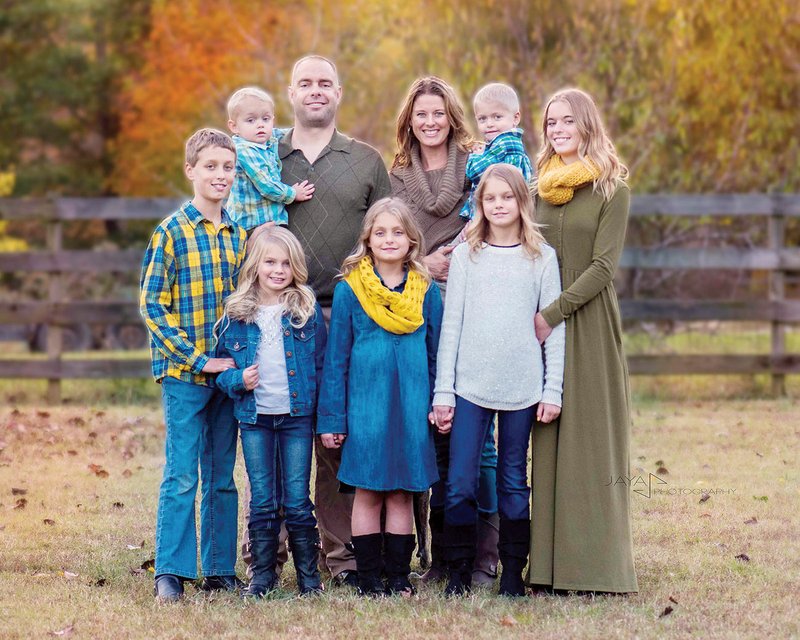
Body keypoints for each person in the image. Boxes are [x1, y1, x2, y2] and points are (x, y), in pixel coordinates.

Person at [278, 54, 392, 587]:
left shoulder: (367, 161)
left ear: (339, 92)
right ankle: (269, 555)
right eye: (306, 83)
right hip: (277, 314)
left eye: (325, 83)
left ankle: (343, 557)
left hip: (344, 312)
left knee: (334, 437)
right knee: (276, 432)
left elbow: (388, 236)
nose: (315, 91)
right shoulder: (262, 157)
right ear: (291, 92)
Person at [431, 164, 565, 596]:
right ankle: (457, 571)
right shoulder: (469, 256)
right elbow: (452, 325)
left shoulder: (541, 258)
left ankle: (511, 572)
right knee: (460, 483)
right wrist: (444, 391)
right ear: (480, 205)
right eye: (491, 199)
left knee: (512, 480)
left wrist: (552, 389)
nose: (499, 205)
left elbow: (552, 329)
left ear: (522, 202)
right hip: (470, 385)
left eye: (507, 197)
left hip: (523, 387)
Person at [390, 76, 499, 587]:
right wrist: (424, 264)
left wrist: (460, 255)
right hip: (420, 314)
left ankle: (484, 556)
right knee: (436, 430)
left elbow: (499, 218)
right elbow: (386, 240)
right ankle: (439, 558)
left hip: (476, 307)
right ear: (408, 122)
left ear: (451, 117)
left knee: (483, 440)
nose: (429, 122)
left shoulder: (477, 163)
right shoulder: (396, 175)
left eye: (437, 113)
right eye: (420, 115)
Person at [529, 88, 639, 594]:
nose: (557, 129)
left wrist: (552, 314)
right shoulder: (538, 188)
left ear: (587, 123)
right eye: (551, 122)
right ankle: (551, 569)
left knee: (591, 442)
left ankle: (598, 567)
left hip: (587, 324)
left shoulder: (612, 188)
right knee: (549, 441)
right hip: (541, 326)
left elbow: (603, 267)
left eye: (567, 120)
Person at [139, 128, 246, 602]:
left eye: (227, 167)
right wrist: (197, 358)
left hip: (227, 376)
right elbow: (152, 306)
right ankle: (172, 571)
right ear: (191, 171)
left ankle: (221, 568)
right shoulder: (171, 232)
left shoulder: (239, 235)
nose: (219, 175)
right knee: (183, 472)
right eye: (210, 166)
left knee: (221, 474)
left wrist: (232, 365)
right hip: (185, 373)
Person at [317, 198, 443, 596]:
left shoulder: (427, 291)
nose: (389, 239)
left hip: (410, 409)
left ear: (412, 241)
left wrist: (440, 403)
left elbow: (436, 355)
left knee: (402, 494)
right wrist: (332, 418)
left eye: (398, 232)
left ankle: (398, 576)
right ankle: (369, 578)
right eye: (380, 232)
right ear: (367, 240)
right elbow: (336, 360)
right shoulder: (350, 292)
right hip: (366, 411)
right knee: (368, 493)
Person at [215, 227, 327, 597]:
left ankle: (310, 578)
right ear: (255, 265)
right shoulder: (236, 313)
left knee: (297, 498)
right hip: (255, 419)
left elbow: (321, 365)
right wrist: (237, 380)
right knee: (262, 498)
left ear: (295, 267)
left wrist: (325, 418)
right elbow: (221, 372)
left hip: (296, 418)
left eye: (286, 263)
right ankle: (262, 576)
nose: (278, 270)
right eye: (270, 262)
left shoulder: (304, 310)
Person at [225, 86, 314, 236]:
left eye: (265, 119)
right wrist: (293, 193)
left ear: (272, 120)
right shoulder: (243, 151)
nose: (260, 124)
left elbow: (285, 133)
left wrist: (305, 131)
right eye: (251, 120)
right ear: (234, 126)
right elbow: (266, 185)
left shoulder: (266, 139)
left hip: (270, 220)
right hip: (250, 225)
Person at [459, 82, 534, 220]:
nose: (489, 124)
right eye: (482, 119)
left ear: (516, 118)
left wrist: (476, 155)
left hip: (497, 214)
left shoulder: (504, 143)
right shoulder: (504, 145)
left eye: (497, 117)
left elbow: (474, 171)